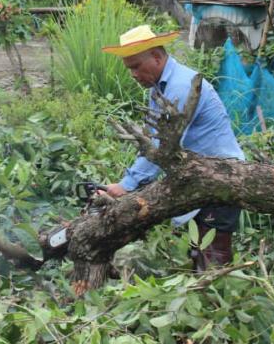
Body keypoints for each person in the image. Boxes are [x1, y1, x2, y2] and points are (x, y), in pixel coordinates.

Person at [101, 25, 244, 270]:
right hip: (199, 176)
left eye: (136, 66)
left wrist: (126, 185)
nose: (133, 74)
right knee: (198, 253)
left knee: (213, 259)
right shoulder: (158, 88)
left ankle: (219, 292)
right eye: (129, 69)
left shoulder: (180, 86)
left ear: (157, 57)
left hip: (222, 177)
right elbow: (151, 142)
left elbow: (161, 147)